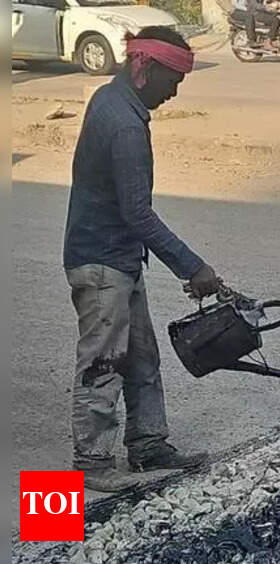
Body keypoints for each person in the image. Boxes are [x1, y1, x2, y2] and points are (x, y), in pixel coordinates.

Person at [63, 26, 224, 492]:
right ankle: (92, 463)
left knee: (141, 357)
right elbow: (137, 213)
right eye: (172, 80)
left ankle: (149, 445)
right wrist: (192, 266)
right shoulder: (126, 125)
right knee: (103, 362)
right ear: (144, 66)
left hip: (118, 257)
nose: (174, 92)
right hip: (101, 262)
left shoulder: (110, 99)